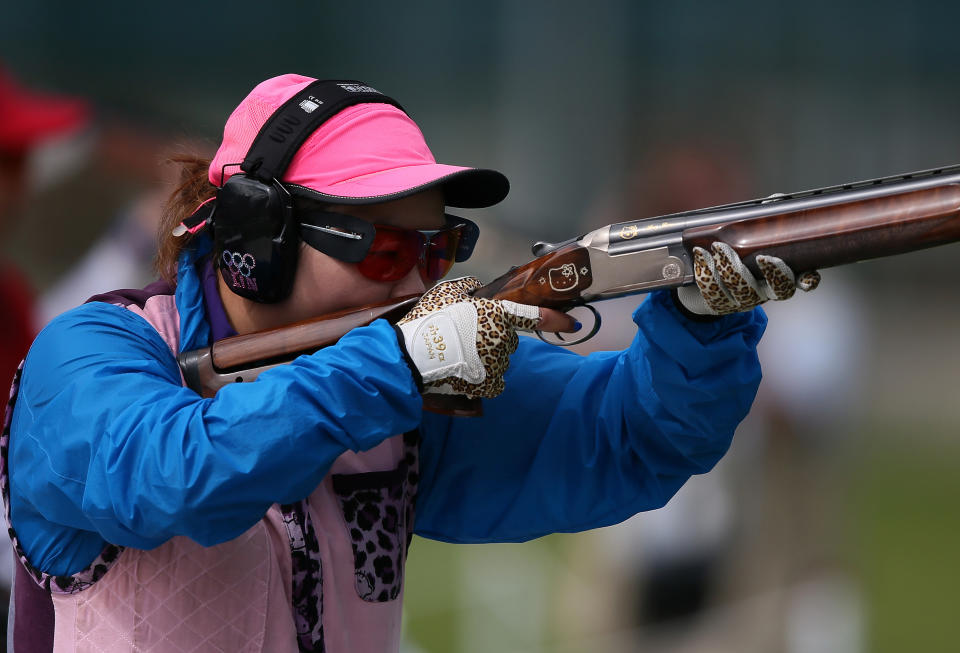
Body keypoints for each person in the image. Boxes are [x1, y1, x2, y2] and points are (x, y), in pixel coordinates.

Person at [2, 74, 814, 652]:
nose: (423, 277)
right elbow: (176, 476)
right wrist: (392, 364)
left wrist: (701, 327)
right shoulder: (92, 353)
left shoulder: (398, 387)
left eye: (440, 247)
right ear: (259, 241)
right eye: (388, 247)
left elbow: (635, 437)